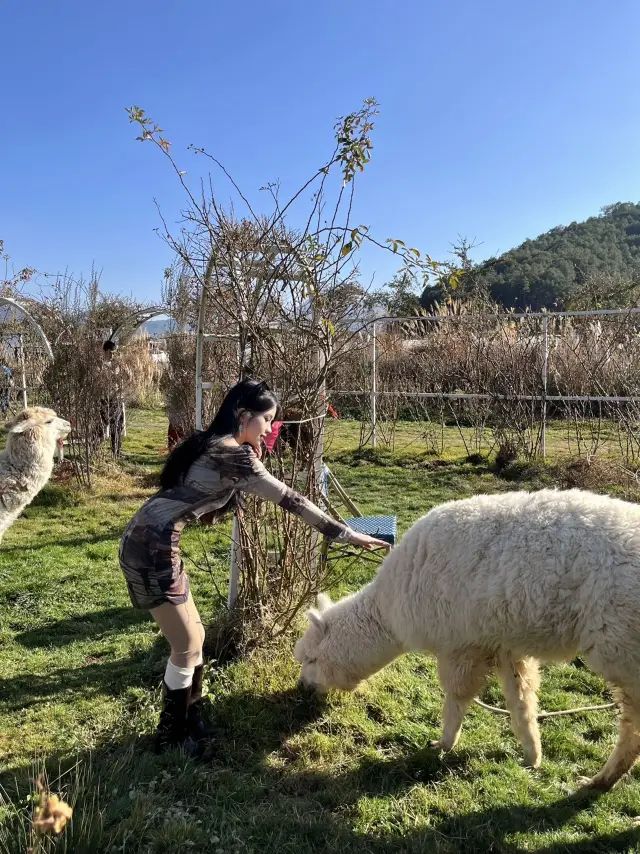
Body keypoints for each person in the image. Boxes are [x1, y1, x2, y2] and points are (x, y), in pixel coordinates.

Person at [119, 378, 390, 755]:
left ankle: (191, 720)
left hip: (155, 540)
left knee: (194, 635)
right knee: (186, 643)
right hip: (150, 547)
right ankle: (170, 738)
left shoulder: (217, 444)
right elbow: (289, 498)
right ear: (244, 416)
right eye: (267, 420)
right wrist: (346, 533)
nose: (270, 429)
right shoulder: (233, 455)